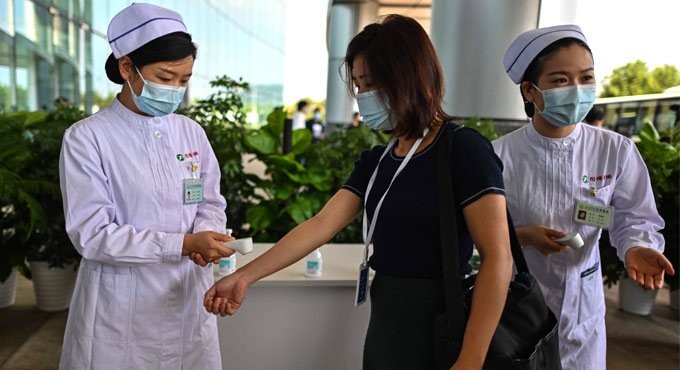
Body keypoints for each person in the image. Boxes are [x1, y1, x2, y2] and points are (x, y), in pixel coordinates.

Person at [203, 14, 513, 369]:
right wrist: (244, 276)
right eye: (360, 85)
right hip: (387, 320)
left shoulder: (463, 149)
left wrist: (471, 359)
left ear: (410, 76)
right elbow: (320, 224)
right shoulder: (378, 160)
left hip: (446, 323)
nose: (364, 96)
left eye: (372, 83)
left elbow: (497, 257)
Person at [58, 3, 235, 369]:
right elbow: (92, 234)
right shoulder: (88, 138)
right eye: (165, 77)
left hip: (188, 296)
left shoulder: (190, 132)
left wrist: (206, 236)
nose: (175, 90)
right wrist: (184, 244)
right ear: (127, 68)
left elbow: (210, 202)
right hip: (120, 308)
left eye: (184, 80)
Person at [493, 24, 674, 369]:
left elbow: (632, 217)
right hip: (515, 308)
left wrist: (637, 246)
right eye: (561, 80)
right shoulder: (499, 156)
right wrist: (522, 237)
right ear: (530, 91)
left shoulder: (614, 150)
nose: (577, 90)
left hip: (583, 310)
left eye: (586, 77)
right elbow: (474, 233)